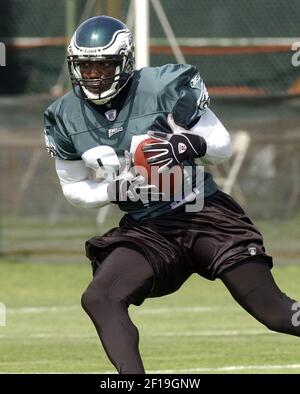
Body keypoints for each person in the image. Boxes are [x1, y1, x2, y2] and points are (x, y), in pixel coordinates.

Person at [44, 15, 300, 374]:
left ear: (126, 61)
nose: (95, 74)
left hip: (204, 214)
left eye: (104, 65)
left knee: (276, 313)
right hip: (148, 228)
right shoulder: (65, 115)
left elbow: (221, 146)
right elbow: (73, 188)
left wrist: (188, 142)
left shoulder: (164, 86)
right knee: (100, 297)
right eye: (86, 66)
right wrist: (110, 189)